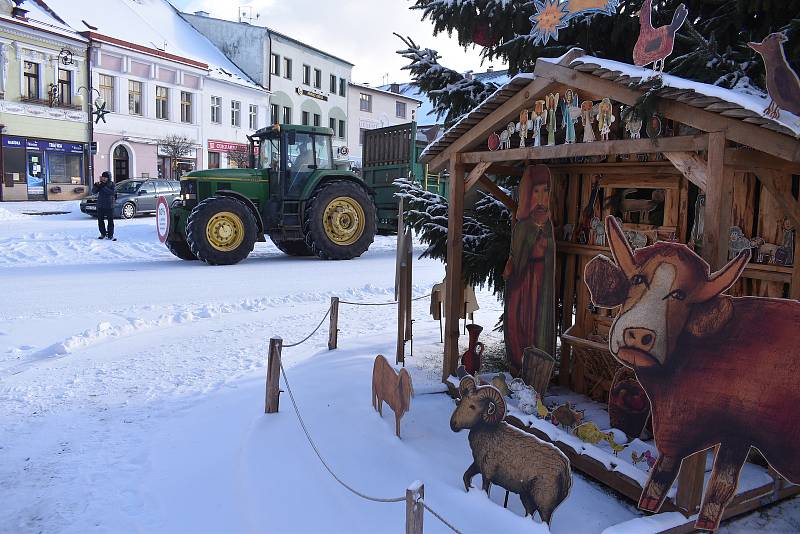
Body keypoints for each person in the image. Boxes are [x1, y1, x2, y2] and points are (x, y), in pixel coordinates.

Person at [502, 165, 556, 376]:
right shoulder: (522, 225)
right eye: (536, 191)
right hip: (523, 284)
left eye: (546, 191)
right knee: (522, 322)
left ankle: (539, 368)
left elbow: (550, 251)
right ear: (528, 194)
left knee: (538, 323)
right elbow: (518, 256)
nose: (541, 197)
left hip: (542, 282)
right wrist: (534, 229)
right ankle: (519, 364)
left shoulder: (549, 224)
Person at [93, 171, 116, 240]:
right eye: (103, 177)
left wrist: (103, 187)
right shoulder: (100, 184)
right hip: (100, 205)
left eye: (105, 177)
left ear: (108, 178)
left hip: (109, 205)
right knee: (100, 220)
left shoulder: (112, 184)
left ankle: (110, 235)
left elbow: (112, 192)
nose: (104, 178)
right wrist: (96, 186)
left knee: (110, 221)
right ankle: (103, 233)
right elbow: (93, 192)